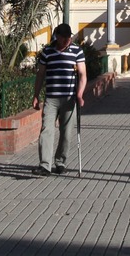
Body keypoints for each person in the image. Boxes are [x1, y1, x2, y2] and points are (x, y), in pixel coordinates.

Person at [32, 23, 87, 176]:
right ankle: (45, 165)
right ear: (57, 36)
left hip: (69, 98)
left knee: (66, 133)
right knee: (46, 130)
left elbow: (82, 74)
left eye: (69, 38)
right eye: (64, 38)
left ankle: (60, 162)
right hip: (51, 98)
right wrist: (36, 95)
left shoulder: (77, 51)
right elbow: (40, 74)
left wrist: (80, 94)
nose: (66, 41)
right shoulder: (47, 52)